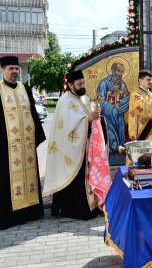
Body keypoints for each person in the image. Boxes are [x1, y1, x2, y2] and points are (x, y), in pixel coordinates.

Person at [0, 56, 46, 230]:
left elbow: (33, 114)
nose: (14, 71)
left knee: (29, 178)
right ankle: (5, 218)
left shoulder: (25, 89)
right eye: (10, 68)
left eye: (16, 68)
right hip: (4, 148)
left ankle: (30, 212)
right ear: (2, 70)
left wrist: (36, 136)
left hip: (26, 147)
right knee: (4, 183)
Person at [43, 70, 105, 220]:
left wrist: (95, 115)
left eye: (83, 83)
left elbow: (86, 117)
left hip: (84, 146)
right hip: (69, 150)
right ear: (71, 85)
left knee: (85, 178)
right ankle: (75, 209)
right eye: (79, 84)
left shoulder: (83, 98)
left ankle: (91, 206)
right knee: (75, 180)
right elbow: (67, 127)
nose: (82, 86)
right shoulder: (64, 101)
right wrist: (87, 119)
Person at [97, 62, 130, 153]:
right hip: (108, 116)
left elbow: (128, 97)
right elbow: (100, 100)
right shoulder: (104, 83)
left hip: (119, 116)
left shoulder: (122, 84)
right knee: (111, 137)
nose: (120, 74)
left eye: (122, 71)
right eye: (119, 71)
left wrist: (122, 98)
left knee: (121, 134)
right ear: (113, 71)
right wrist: (112, 109)